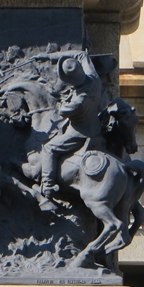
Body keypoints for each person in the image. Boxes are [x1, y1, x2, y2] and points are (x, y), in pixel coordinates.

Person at [38, 50, 104, 200]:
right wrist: (49, 57)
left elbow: (63, 111)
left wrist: (59, 97)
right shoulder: (93, 79)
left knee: (49, 148)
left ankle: (47, 186)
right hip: (95, 125)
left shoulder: (79, 101)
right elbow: (81, 54)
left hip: (80, 132)